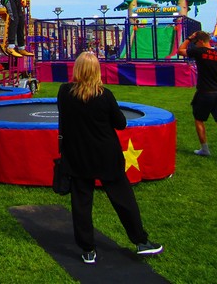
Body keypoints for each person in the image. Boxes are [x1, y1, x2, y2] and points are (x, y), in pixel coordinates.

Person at [57, 52, 162, 264]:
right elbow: (120, 123)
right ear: (97, 71)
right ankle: (140, 241)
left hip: (78, 155)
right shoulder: (104, 95)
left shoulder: (64, 92)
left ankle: (87, 249)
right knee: (123, 199)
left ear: (77, 69)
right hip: (106, 155)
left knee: (81, 202)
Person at [178, 31, 217, 162]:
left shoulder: (200, 51)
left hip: (205, 92)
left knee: (199, 119)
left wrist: (189, 38)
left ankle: (204, 149)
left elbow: (181, 50)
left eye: (196, 42)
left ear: (201, 41)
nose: (195, 45)